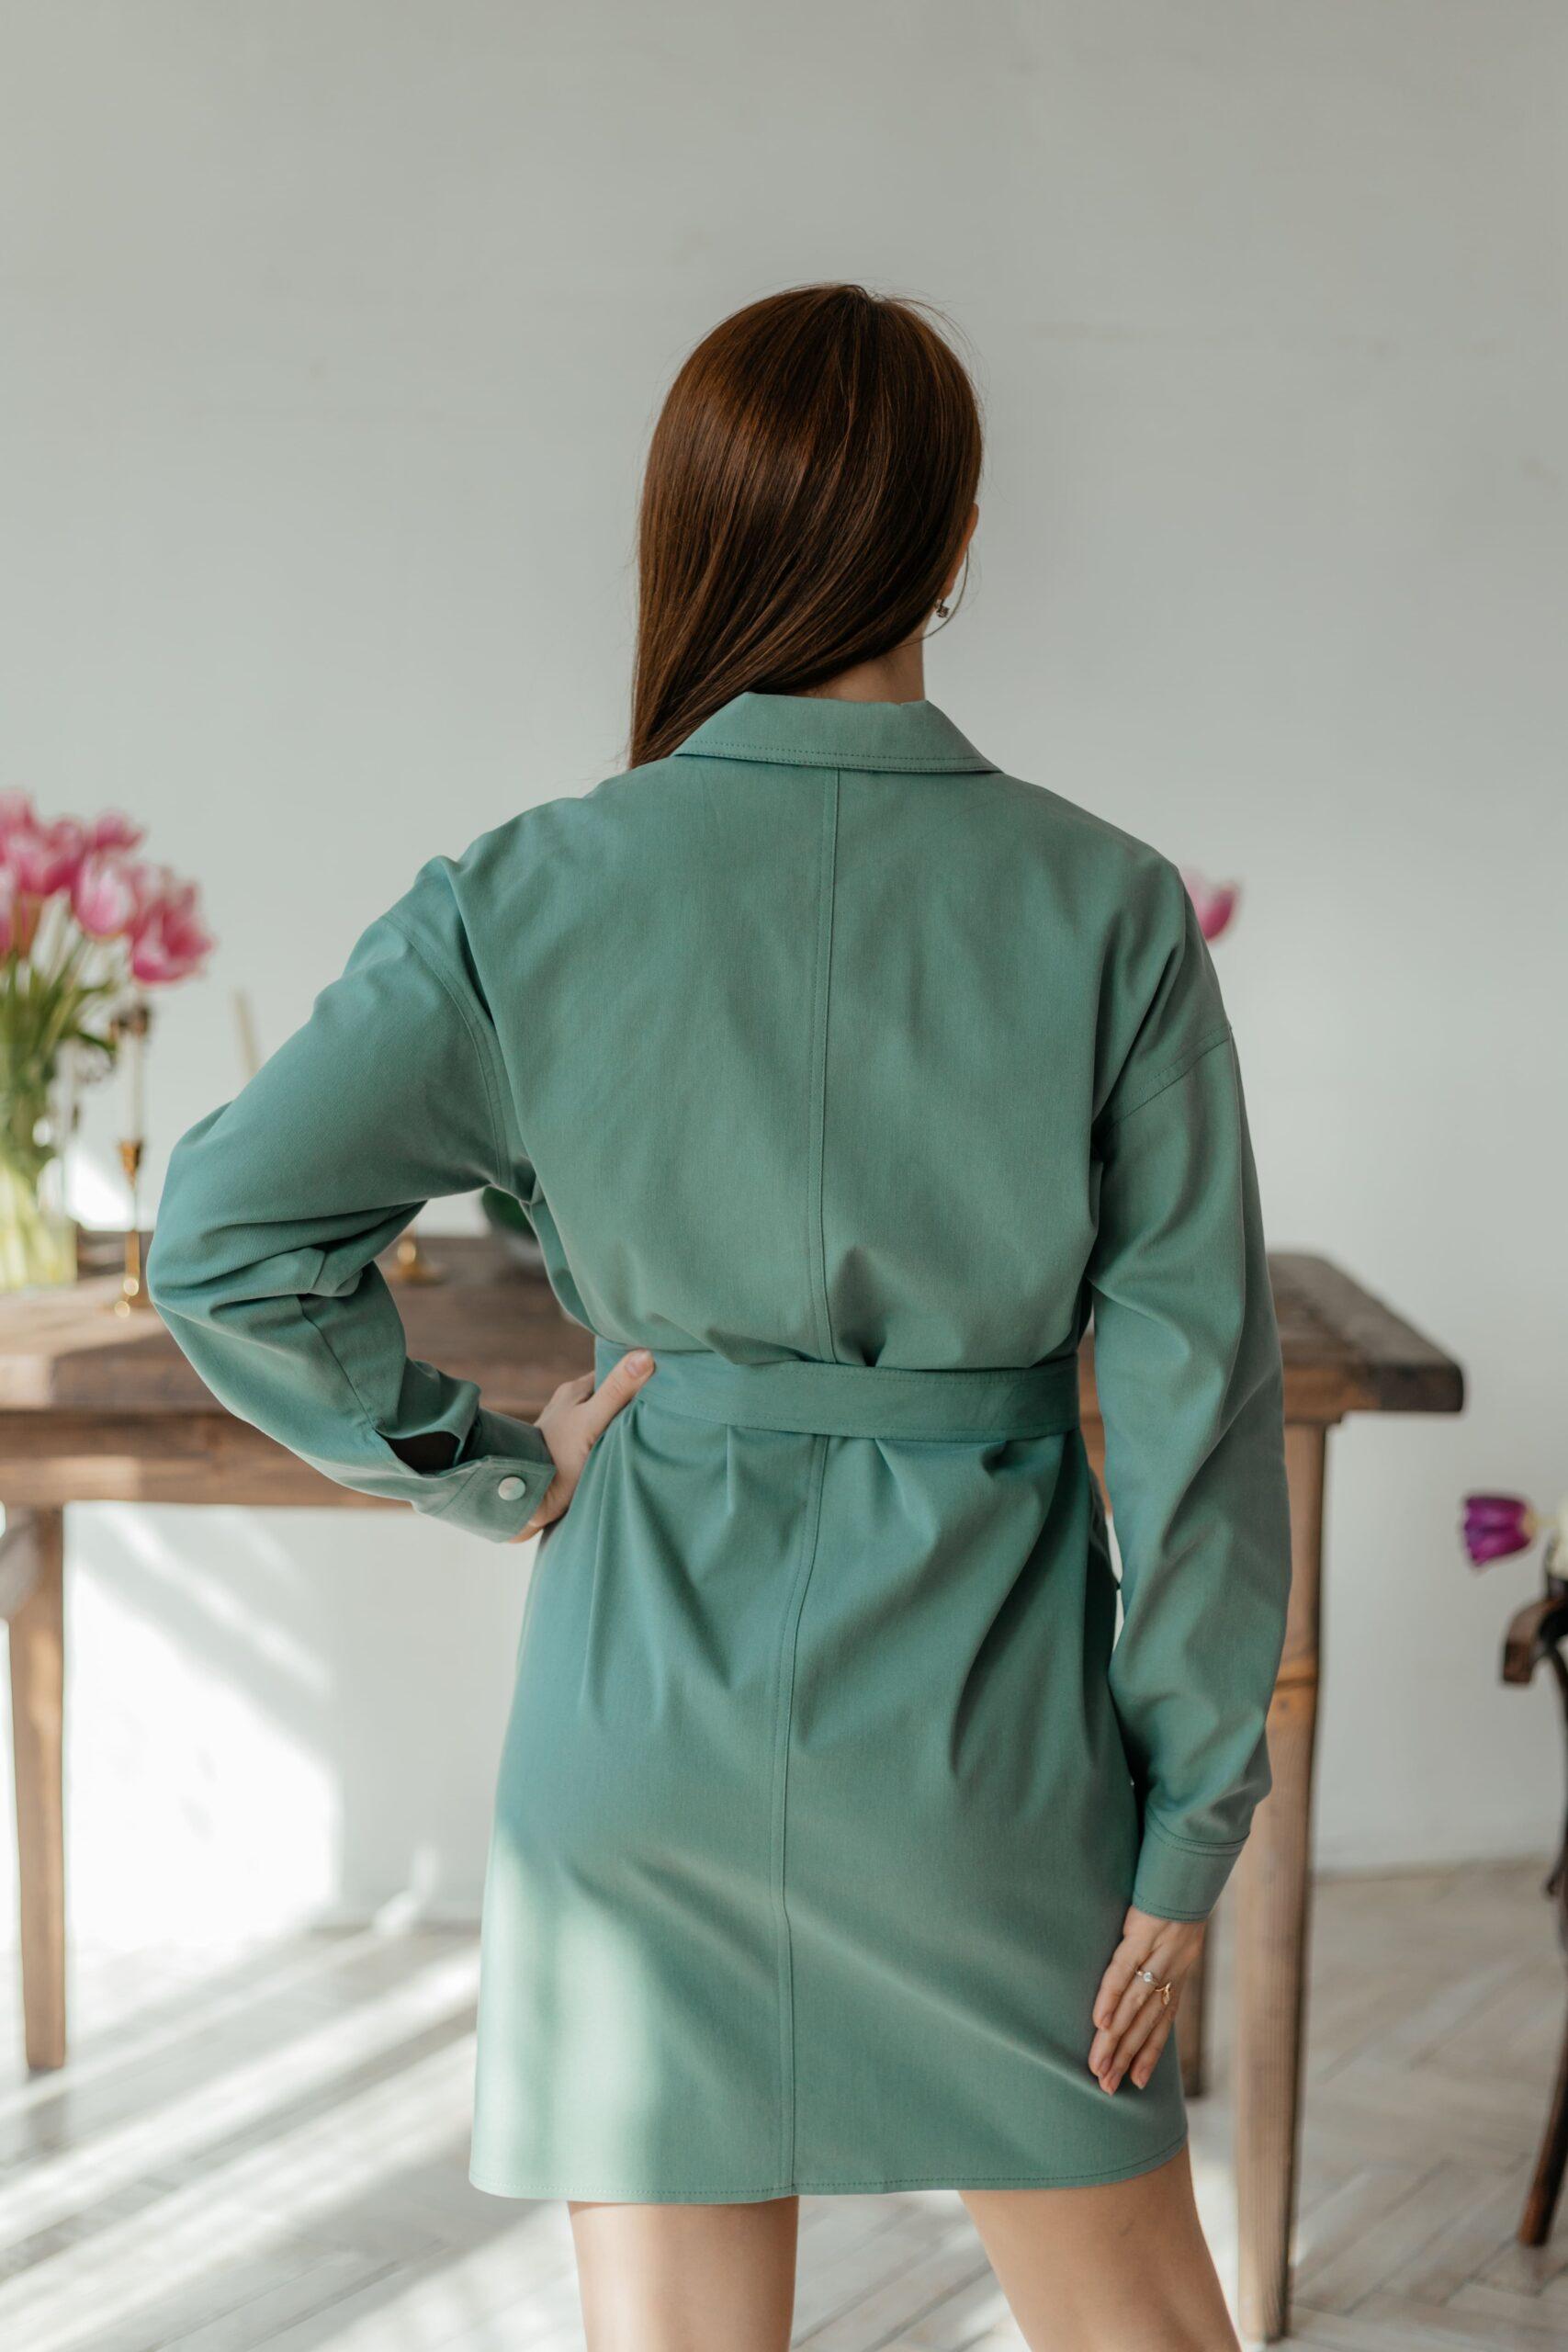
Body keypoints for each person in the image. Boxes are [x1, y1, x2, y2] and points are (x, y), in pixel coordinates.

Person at [148, 283, 1292, 2352]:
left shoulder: (524, 893)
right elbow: (1196, 1399)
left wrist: (490, 1469)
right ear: (953, 541)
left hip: (640, 1733)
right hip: (989, 1758)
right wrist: (1188, 1818)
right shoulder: (1107, 904)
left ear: (689, 536)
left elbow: (224, 1238)